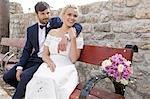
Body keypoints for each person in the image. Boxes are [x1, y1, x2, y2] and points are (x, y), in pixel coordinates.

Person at [3, 2, 82, 99]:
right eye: (43, 14)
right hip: (37, 59)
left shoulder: (55, 22)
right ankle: (25, 91)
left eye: (48, 13)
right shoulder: (31, 30)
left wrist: (67, 36)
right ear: (36, 14)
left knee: (26, 76)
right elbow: (27, 50)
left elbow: (77, 25)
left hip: (49, 62)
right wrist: (20, 67)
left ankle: (21, 93)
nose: (46, 16)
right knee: (7, 77)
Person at [25, 5, 84, 99]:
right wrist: (49, 62)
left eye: (75, 16)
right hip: (49, 65)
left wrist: (72, 38)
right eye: (69, 14)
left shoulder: (77, 36)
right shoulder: (52, 32)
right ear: (63, 15)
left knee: (51, 81)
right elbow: (44, 54)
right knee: (36, 81)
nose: (72, 18)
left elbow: (73, 59)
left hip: (66, 68)